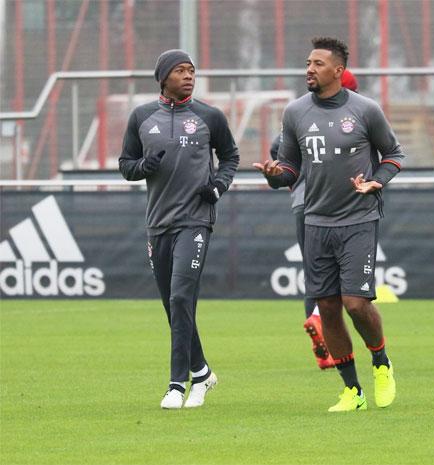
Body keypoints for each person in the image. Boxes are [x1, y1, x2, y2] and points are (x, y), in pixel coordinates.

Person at [254, 37, 405, 412]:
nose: (309, 69)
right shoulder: (294, 113)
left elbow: (395, 154)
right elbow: (290, 169)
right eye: (308, 62)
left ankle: (382, 362)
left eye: (318, 63)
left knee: (355, 304)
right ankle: (352, 391)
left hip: (358, 219)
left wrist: (377, 182)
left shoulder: (366, 110)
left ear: (337, 70)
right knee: (329, 308)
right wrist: (275, 175)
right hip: (315, 221)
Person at [119, 49, 240, 408]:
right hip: (158, 223)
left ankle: (178, 384)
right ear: (163, 78)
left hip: (196, 220)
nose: (189, 76)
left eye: (192, 70)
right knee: (174, 307)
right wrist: (145, 165)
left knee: (180, 297)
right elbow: (126, 165)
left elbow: (230, 156)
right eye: (180, 71)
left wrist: (217, 187)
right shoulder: (141, 117)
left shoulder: (209, 116)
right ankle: (202, 372)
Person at [269, 69, 360, 371]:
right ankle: (320, 321)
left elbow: (276, 147)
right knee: (342, 278)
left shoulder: (301, 115)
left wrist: (294, 169)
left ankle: (324, 353)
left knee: (316, 275)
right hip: (338, 206)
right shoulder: (349, 119)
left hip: (301, 203)